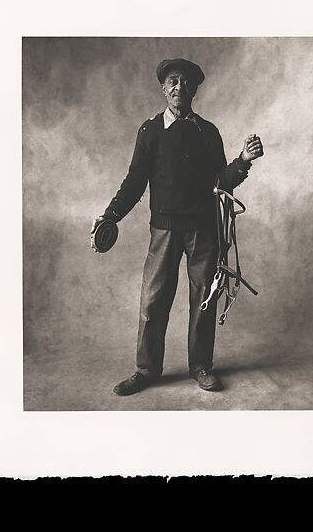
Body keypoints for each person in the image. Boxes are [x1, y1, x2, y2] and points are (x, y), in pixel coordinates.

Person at [90, 58, 264, 396]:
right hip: (164, 232)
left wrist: (243, 160)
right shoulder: (150, 130)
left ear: (194, 90)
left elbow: (221, 182)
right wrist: (110, 215)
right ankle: (146, 370)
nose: (178, 87)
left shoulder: (208, 132)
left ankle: (201, 366)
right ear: (163, 87)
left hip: (203, 231)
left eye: (185, 82)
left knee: (204, 300)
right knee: (153, 302)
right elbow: (134, 182)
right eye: (173, 81)